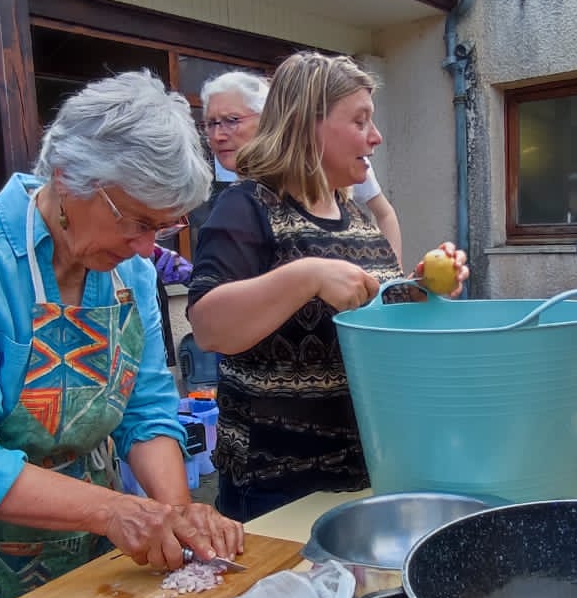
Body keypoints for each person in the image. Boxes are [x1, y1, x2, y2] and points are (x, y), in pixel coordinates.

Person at [0, 72, 243, 598]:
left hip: (84, 542)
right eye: (137, 223)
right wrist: (117, 511)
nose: (146, 249)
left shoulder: (130, 274)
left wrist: (176, 512)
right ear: (69, 180)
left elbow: (146, 411)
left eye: (163, 230)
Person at [187, 52, 468, 522]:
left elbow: (372, 316)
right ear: (308, 125)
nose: (375, 137)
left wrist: (419, 291)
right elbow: (208, 326)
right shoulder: (248, 206)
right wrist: (305, 277)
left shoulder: (357, 219)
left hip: (364, 472)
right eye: (360, 122)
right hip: (275, 490)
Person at [201, 70, 407, 267]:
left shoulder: (344, 185)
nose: (218, 135)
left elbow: (384, 213)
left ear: (268, 119)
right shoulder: (242, 202)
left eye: (232, 120)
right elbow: (210, 297)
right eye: (211, 123)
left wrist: (396, 286)